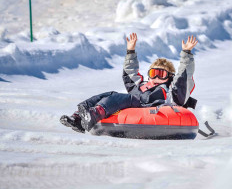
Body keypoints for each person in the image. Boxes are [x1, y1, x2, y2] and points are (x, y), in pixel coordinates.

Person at [60, 33, 198, 133]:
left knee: (122, 97)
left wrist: (186, 54)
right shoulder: (141, 86)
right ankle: (78, 116)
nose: (156, 77)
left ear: (169, 77)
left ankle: (96, 113)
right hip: (135, 104)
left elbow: (183, 76)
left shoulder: (170, 92)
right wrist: (130, 51)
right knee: (111, 94)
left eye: (161, 74)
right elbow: (130, 73)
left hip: (152, 108)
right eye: (153, 73)